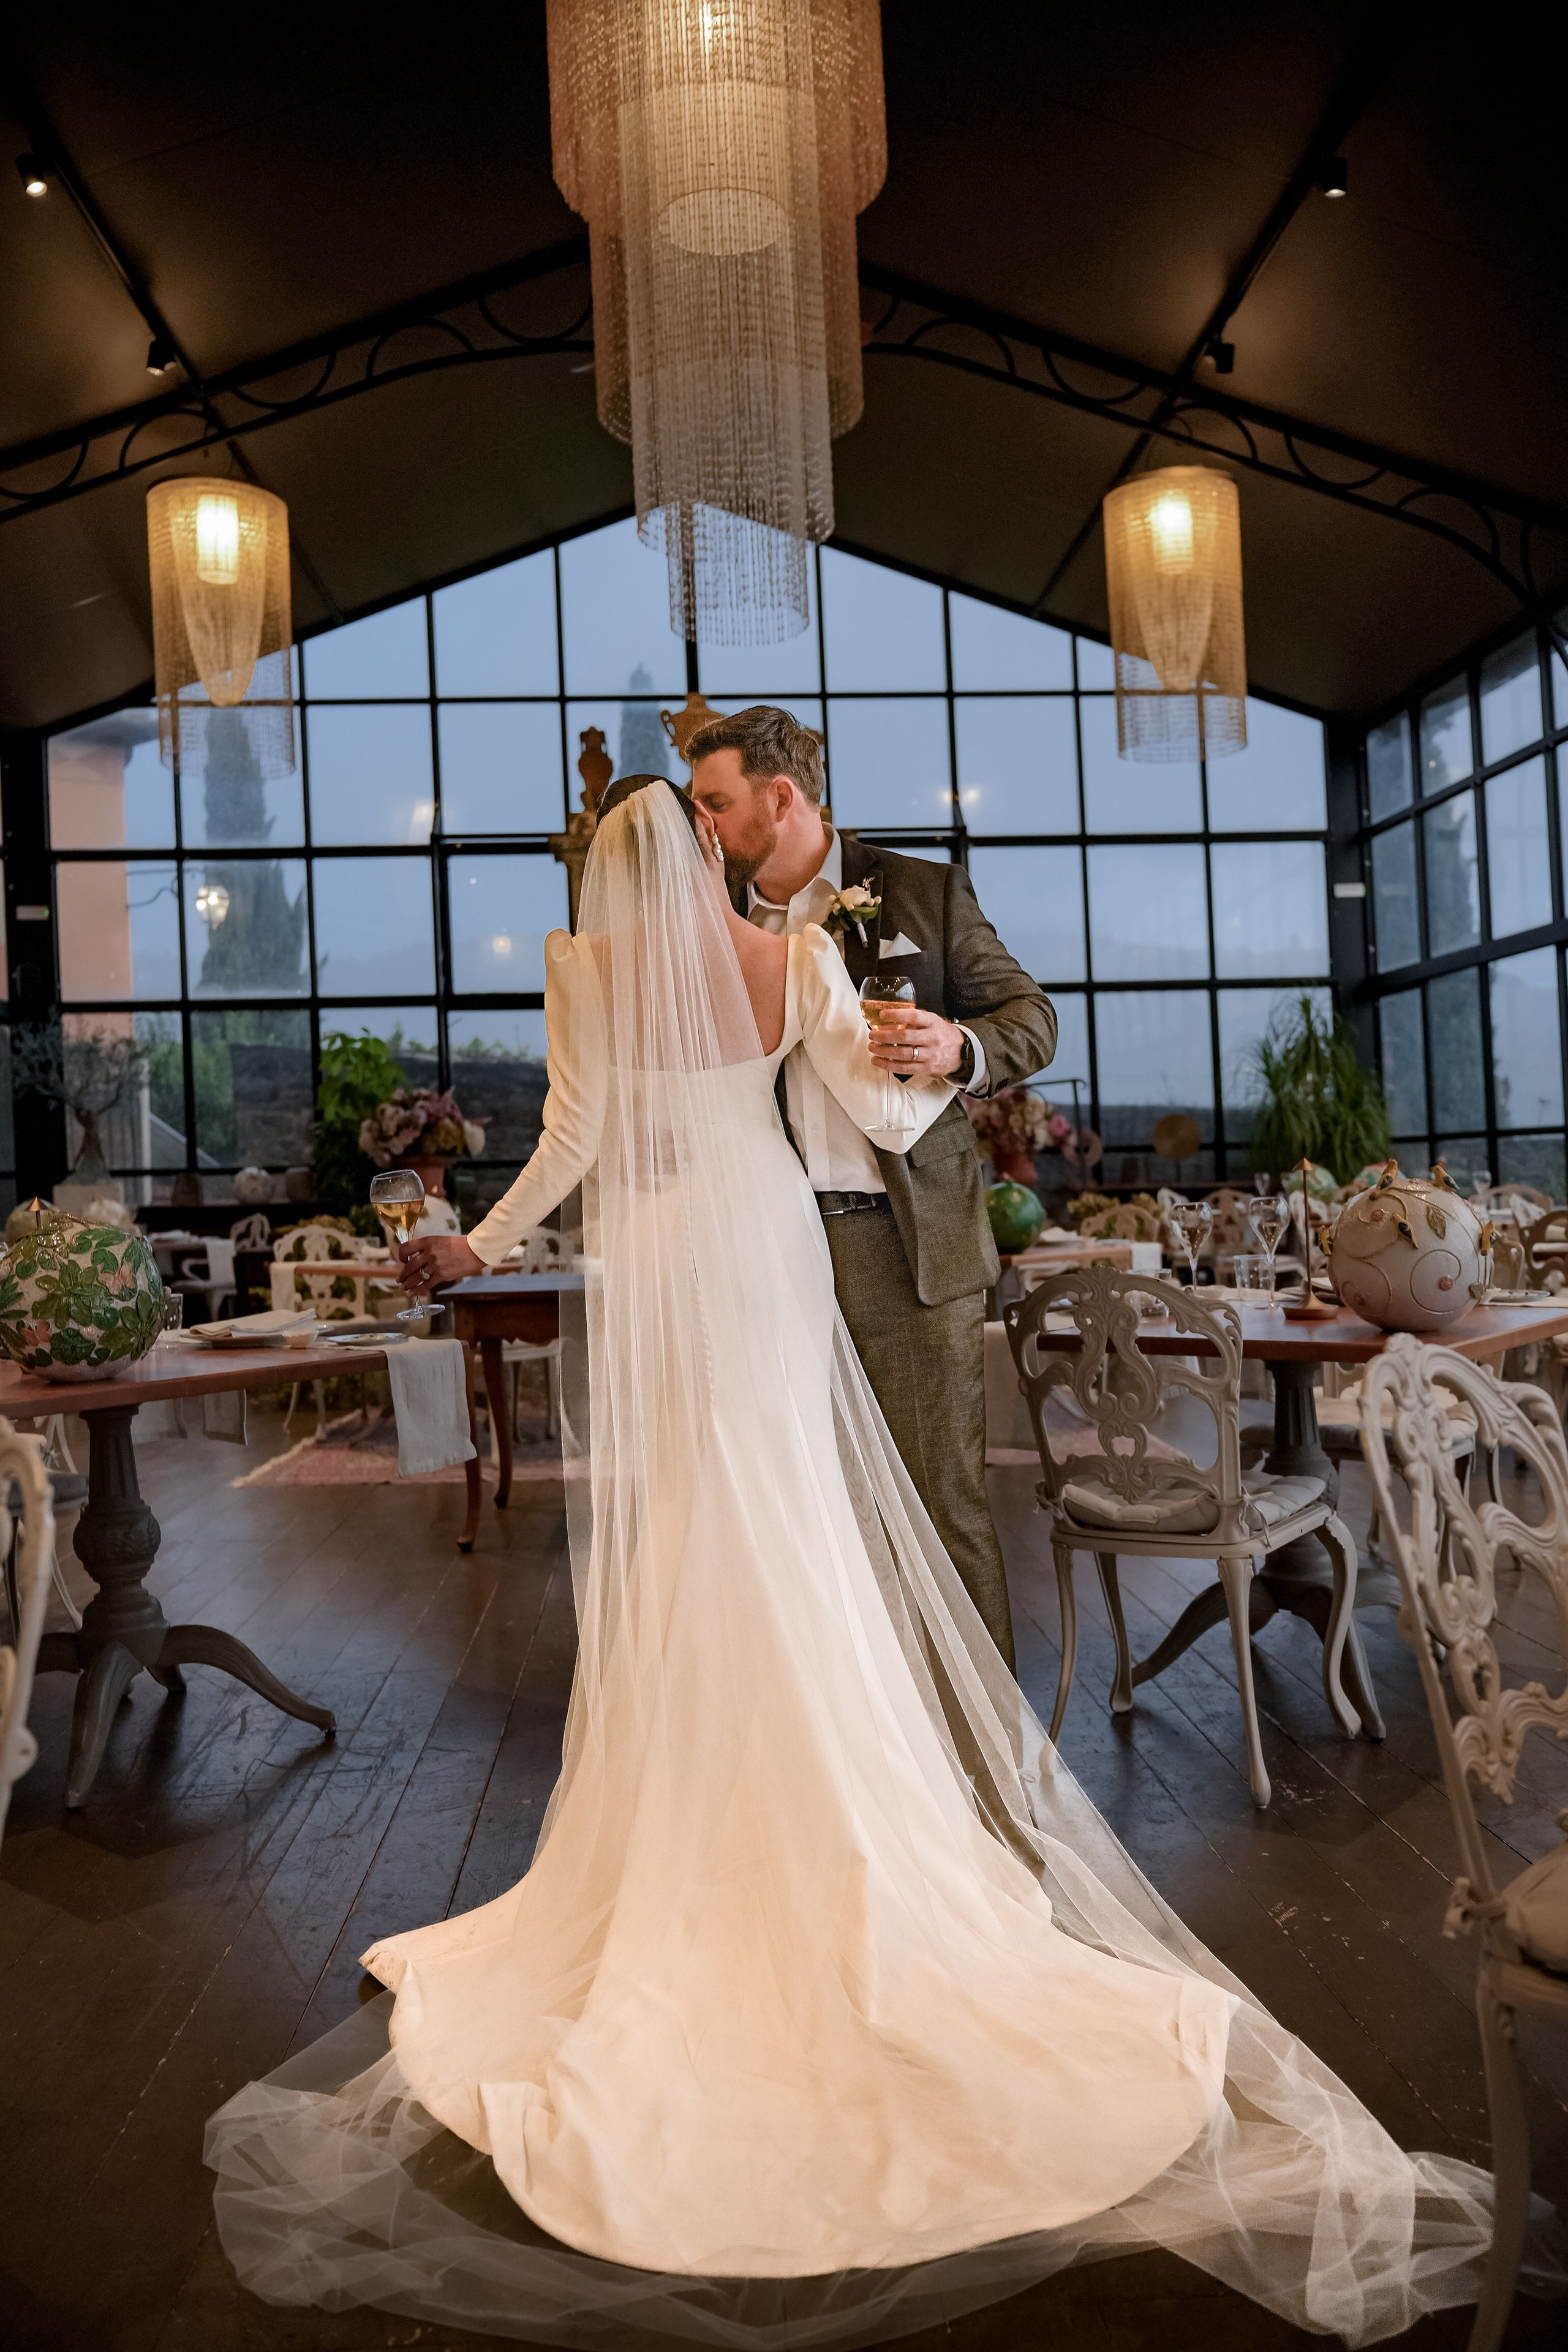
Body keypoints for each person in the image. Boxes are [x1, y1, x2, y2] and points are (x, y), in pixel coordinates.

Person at [207, 777, 1501, 2349]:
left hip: (663, 1257)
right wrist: (914, 1067)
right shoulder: (791, 954)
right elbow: (884, 1118)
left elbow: (574, 1135)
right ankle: (837, 1811)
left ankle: (711, 1822)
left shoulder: (580, 966)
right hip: (757, 1251)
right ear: (701, 850)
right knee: (782, 1516)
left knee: (699, 1521)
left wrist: (485, 1243)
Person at [685, 703, 1055, 1670]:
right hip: (770, 1251)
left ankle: (985, 1772)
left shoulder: (922, 893)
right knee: (803, 1506)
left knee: (942, 1504)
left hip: (909, 1246)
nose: (703, 825)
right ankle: (864, 1763)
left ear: (780, 796)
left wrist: (959, 1044)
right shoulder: (705, 910)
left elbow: (1033, 1016)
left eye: (715, 803)